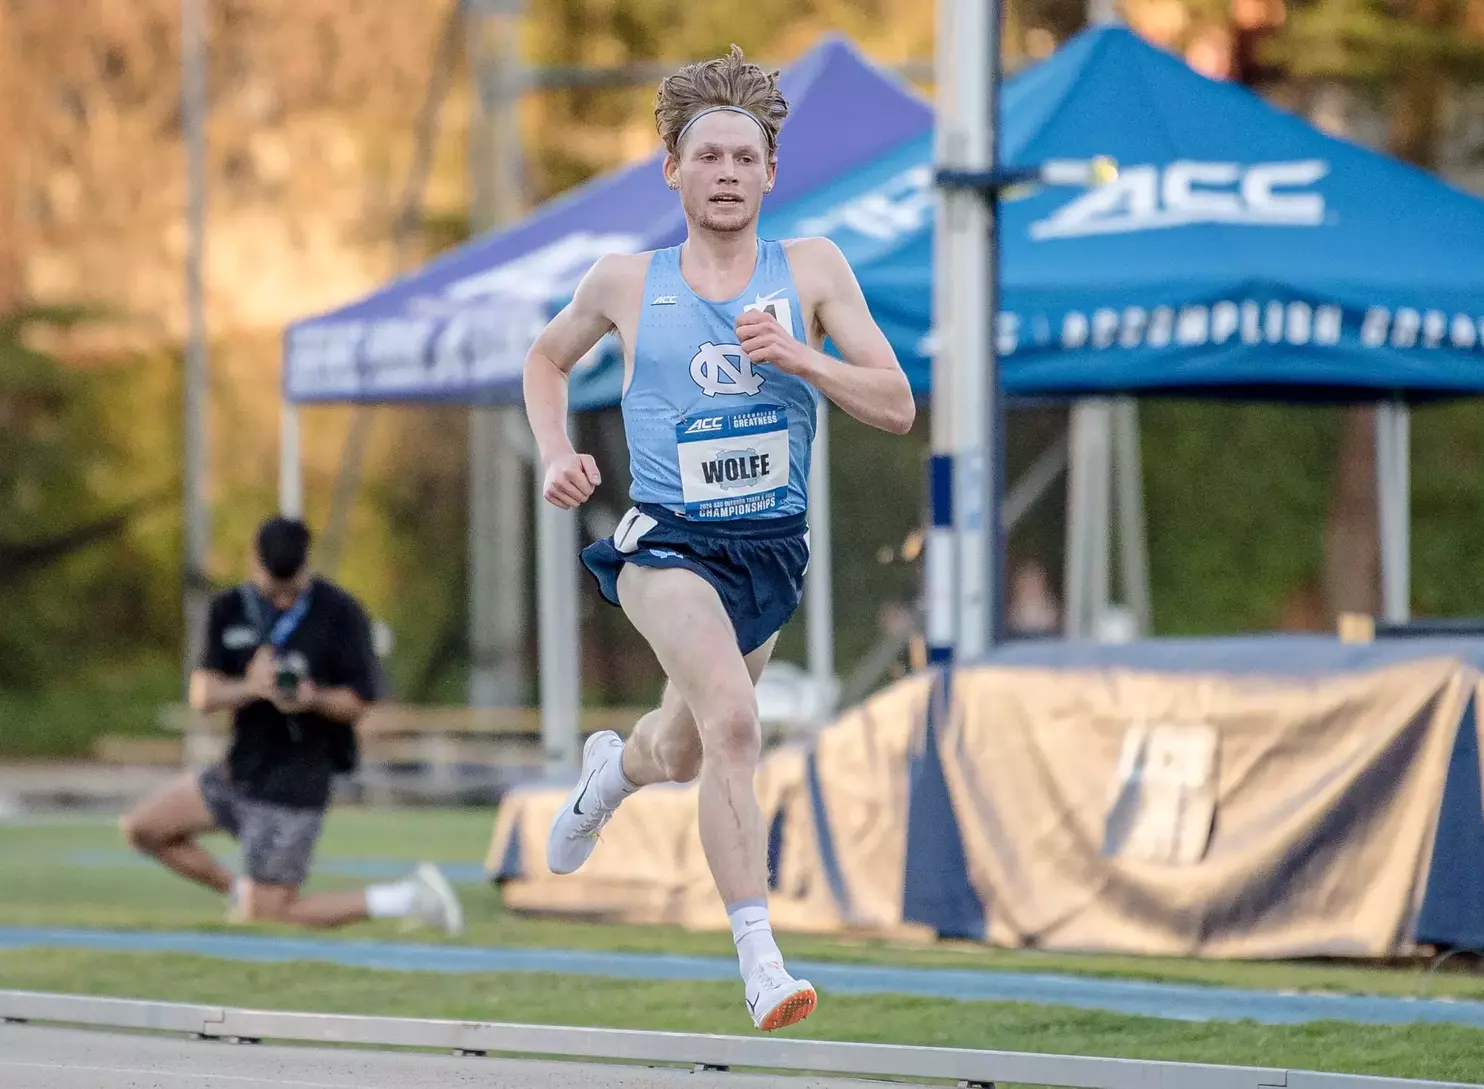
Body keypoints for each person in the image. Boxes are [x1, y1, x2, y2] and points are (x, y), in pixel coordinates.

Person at [522, 45, 914, 1031]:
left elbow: (898, 404)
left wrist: (801, 359)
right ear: (674, 171)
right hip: (666, 544)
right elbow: (543, 357)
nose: (728, 173)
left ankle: (610, 773)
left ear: (770, 173)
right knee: (738, 722)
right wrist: (554, 451)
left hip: (767, 552)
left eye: (745, 158)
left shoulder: (814, 271)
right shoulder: (624, 281)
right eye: (708, 158)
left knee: (689, 749)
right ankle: (761, 963)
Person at [120, 515, 463, 935]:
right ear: (254, 564)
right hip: (239, 770)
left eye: (292, 589)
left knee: (272, 913)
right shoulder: (229, 609)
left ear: (307, 565)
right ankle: (237, 892)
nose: (282, 600)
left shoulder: (340, 613)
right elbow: (202, 694)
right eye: (273, 588)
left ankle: (407, 898)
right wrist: (250, 687)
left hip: (294, 786)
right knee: (143, 828)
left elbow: (362, 701)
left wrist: (311, 698)